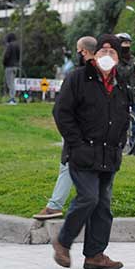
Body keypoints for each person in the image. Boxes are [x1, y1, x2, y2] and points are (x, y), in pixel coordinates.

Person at [50, 34, 130, 269]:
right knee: (89, 197)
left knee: (103, 204)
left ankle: (95, 254)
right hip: (82, 152)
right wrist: (76, 143)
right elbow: (62, 113)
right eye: (103, 51)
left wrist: (120, 143)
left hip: (109, 154)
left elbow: (125, 116)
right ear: (94, 55)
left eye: (112, 52)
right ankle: (62, 242)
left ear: (118, 57)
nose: (107, 56)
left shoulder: (121, 83)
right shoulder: (77, 78)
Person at [34, 36, 97, 221]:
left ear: (83, 52)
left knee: (69, 166)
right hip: (93, 131)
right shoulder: (104, 74)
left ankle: (55, 206)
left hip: (78, 131)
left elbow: (61, 109)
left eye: (79, 50)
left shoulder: (76, 75)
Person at [115, 32, 135, 154]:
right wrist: (132, 66)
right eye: (124, 43)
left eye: (128, 43)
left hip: (134, 94)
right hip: (120, 93)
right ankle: (118, 146)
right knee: (120, 122)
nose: (127, 46)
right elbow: (122, 73)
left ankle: (134, 149)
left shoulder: (133, 59)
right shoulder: (116, 59)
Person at [3, 32, 21, 105]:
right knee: (12, 82)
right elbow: (18, 56)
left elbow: (6, 56)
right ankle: (12, 98)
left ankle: (12, 99)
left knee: (10, 83)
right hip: (15, 66)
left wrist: (4, 63)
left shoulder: (9, 46)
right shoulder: (17, 45)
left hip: (9, 66)